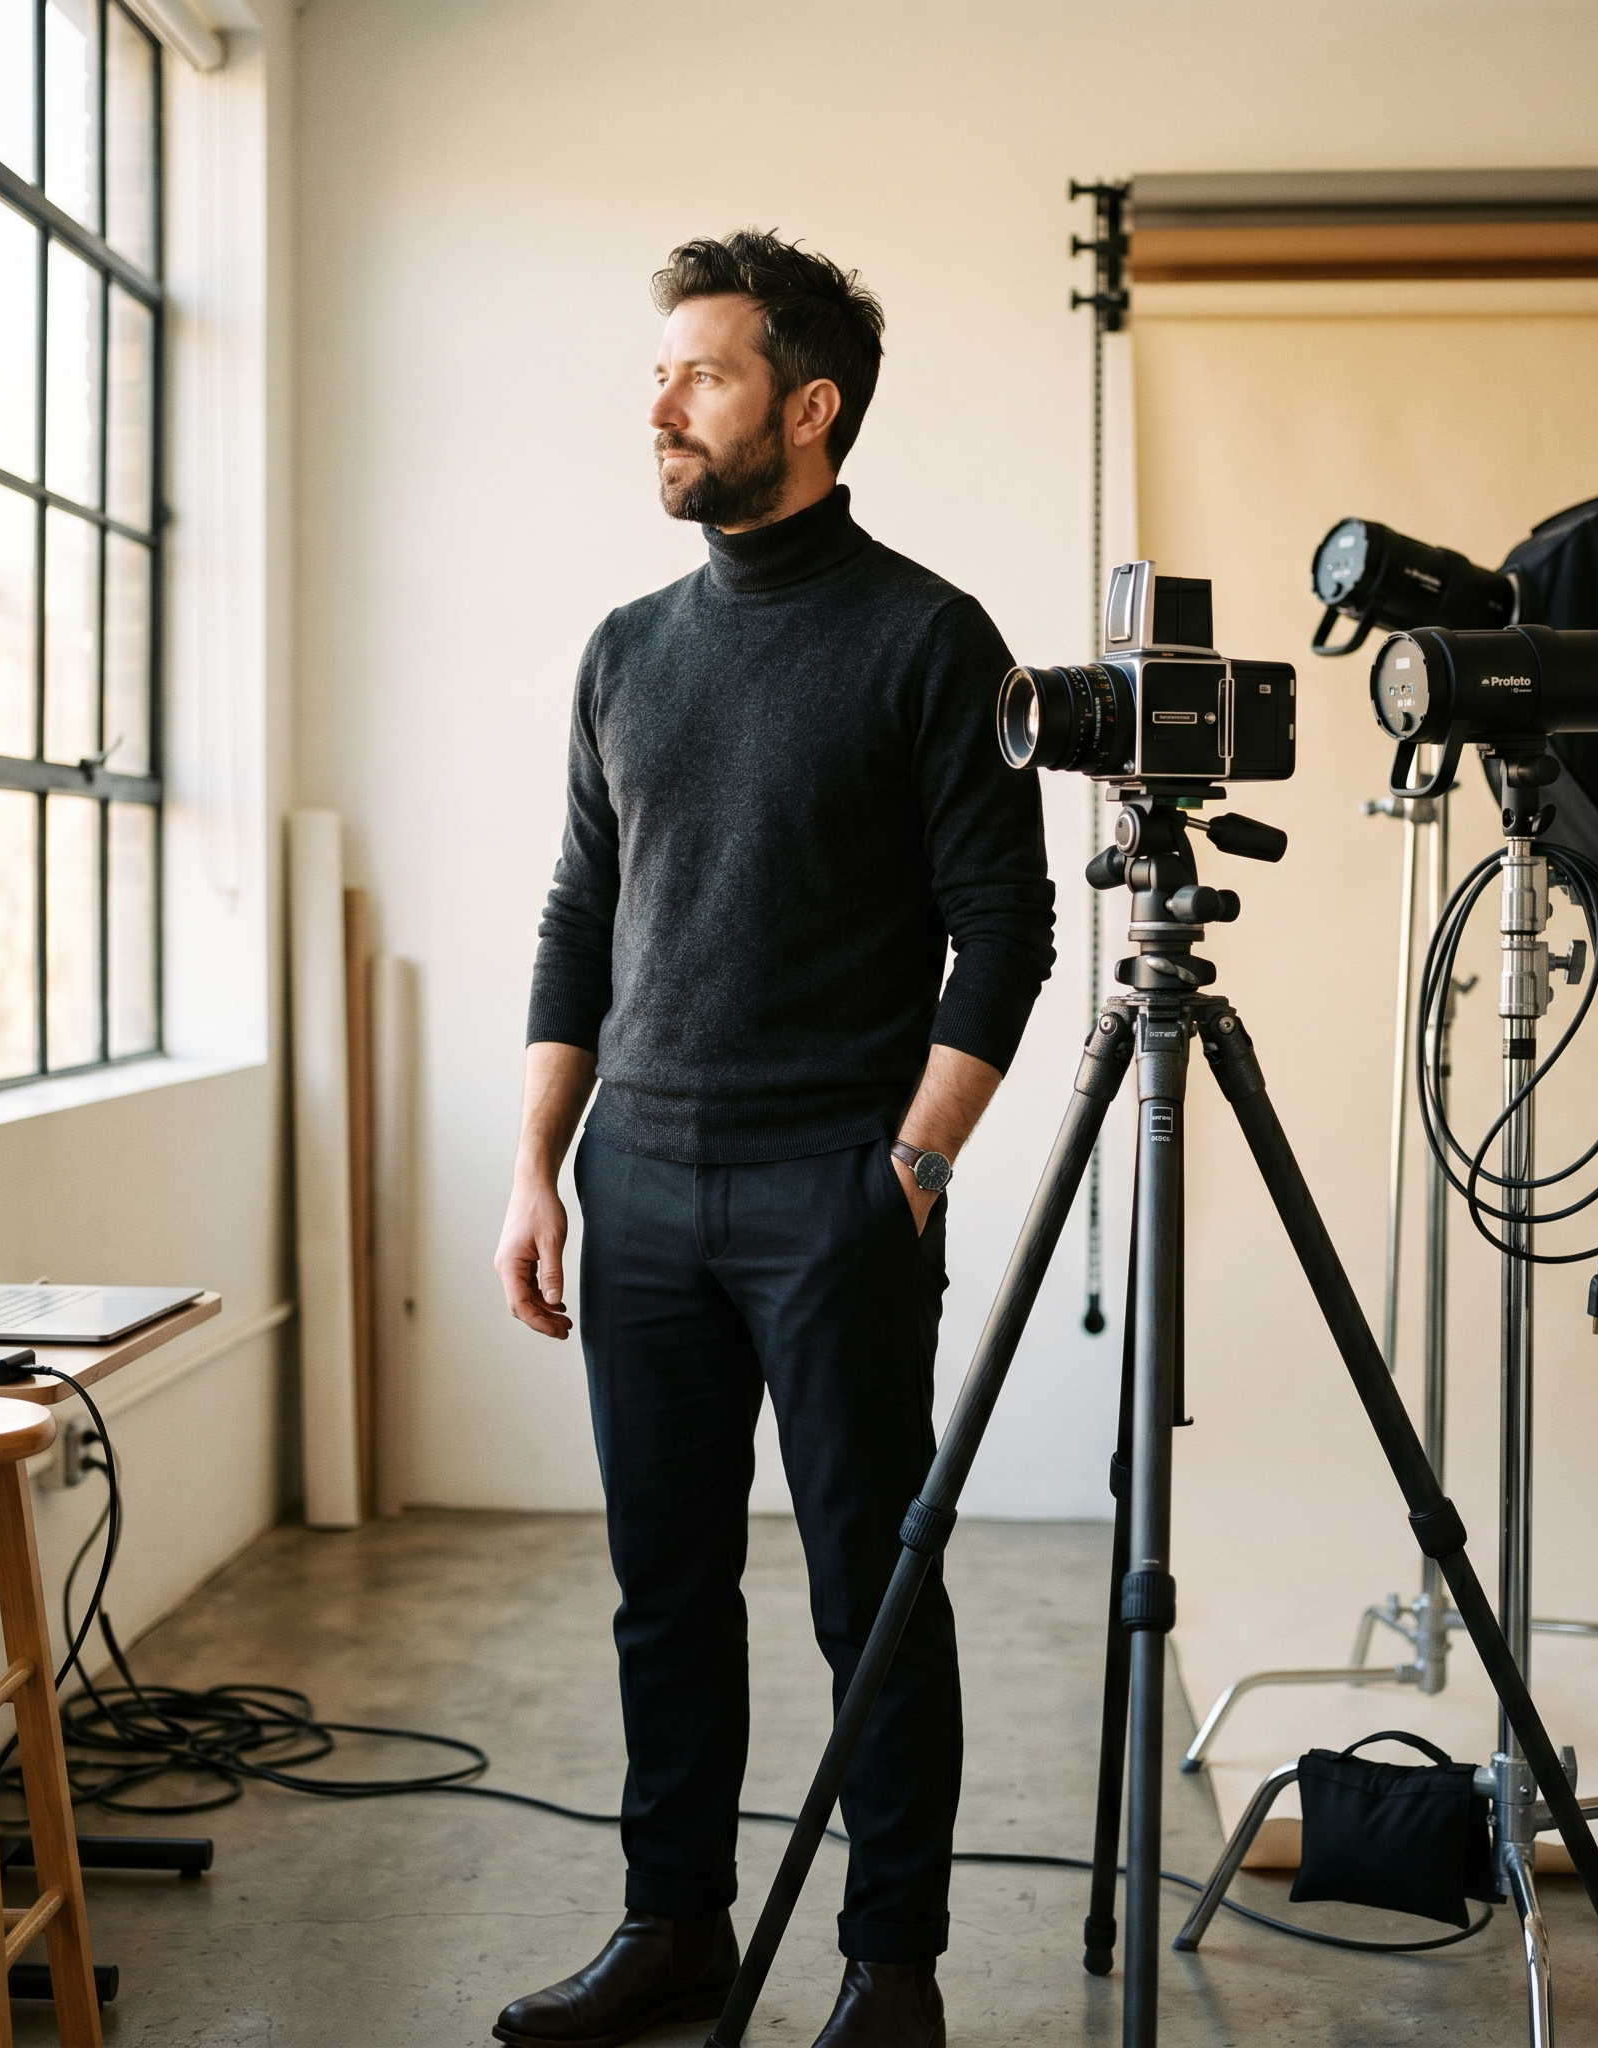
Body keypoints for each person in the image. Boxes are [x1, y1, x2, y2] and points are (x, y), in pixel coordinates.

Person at [493, 230, 1054, 2048]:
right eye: (659, 370)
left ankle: (894, 1970)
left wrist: (916, 1156)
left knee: (865, 1594)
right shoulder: (625, 647)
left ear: (807, 409)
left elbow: (1010, 924)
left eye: (702, 373)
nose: (660, 403)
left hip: (836, 1190)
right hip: (634, 1182)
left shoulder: (926, 637)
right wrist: (535, 1171)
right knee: (667, 1593)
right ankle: (677, 1927)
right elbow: (582, 915)